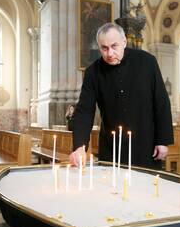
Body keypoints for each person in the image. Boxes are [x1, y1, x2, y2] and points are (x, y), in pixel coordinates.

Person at [69, 22, 173, 168]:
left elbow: (161, 102)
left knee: (146, 189)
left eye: (114, 46)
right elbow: (85, 111)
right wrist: (79, 146)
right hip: (111, 146)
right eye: (104, 48)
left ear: (124, 42)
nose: (109, 53)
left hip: (146, 143)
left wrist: (162, 140)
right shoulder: (93, 72)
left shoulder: (147, 62)